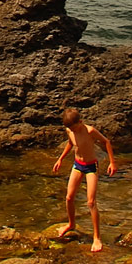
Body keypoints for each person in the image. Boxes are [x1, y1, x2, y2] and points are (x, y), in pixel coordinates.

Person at [51, 107, 117, 252]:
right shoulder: (70, 131)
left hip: (91, 166)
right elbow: (70, 143)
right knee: (69, 198)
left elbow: (106, 142)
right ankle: (71, 224)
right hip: (77, 165)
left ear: (80, 122)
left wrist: (112, 162)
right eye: (70, 129)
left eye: (74, 128)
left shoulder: (90, 130)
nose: (72, 131)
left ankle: (97, 237)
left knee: (91, 202)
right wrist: (60, 159)